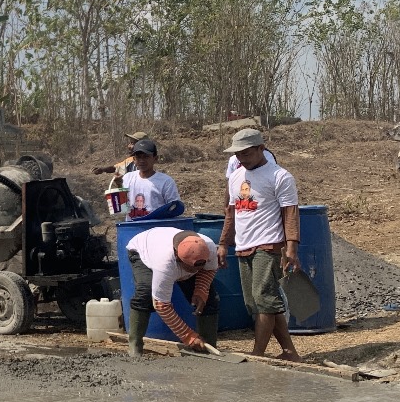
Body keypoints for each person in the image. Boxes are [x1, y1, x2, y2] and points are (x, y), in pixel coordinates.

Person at [218, 128, 303, 362]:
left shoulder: (279, 176)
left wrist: (291, 248)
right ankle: (289, 352)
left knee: (264, 298)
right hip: (243, 245)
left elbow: (290, 214)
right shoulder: (236, 177)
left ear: (261, 149)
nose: (241, 159)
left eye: (246, 153)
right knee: (255, 302)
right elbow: (231, 213)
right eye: (238, 154)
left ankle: (258, 353)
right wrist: (224, 243)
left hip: (269, 244)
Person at [124, 227, 219, 356]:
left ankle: (208, 347)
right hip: (142, 249)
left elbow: (208, 269)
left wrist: (201, 290)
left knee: (208, 298)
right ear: (178, 258)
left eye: (201, 264)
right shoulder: (164, 264)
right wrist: (188, 336)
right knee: (145, 293)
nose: (198, 269)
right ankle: (135, 346)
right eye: (192, 267)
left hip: (168, 251)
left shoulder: (209, 247)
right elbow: (161, 305)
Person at [123, 139, 180, 220]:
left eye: (146, 157)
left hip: (156, 229)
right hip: (133, 229)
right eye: (139, 157)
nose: (142, 161)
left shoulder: (166, 182)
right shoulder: (127, 178)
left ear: (155, 158)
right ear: (134, 160)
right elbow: (122, 208)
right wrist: (117, 189)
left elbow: (174, 209)